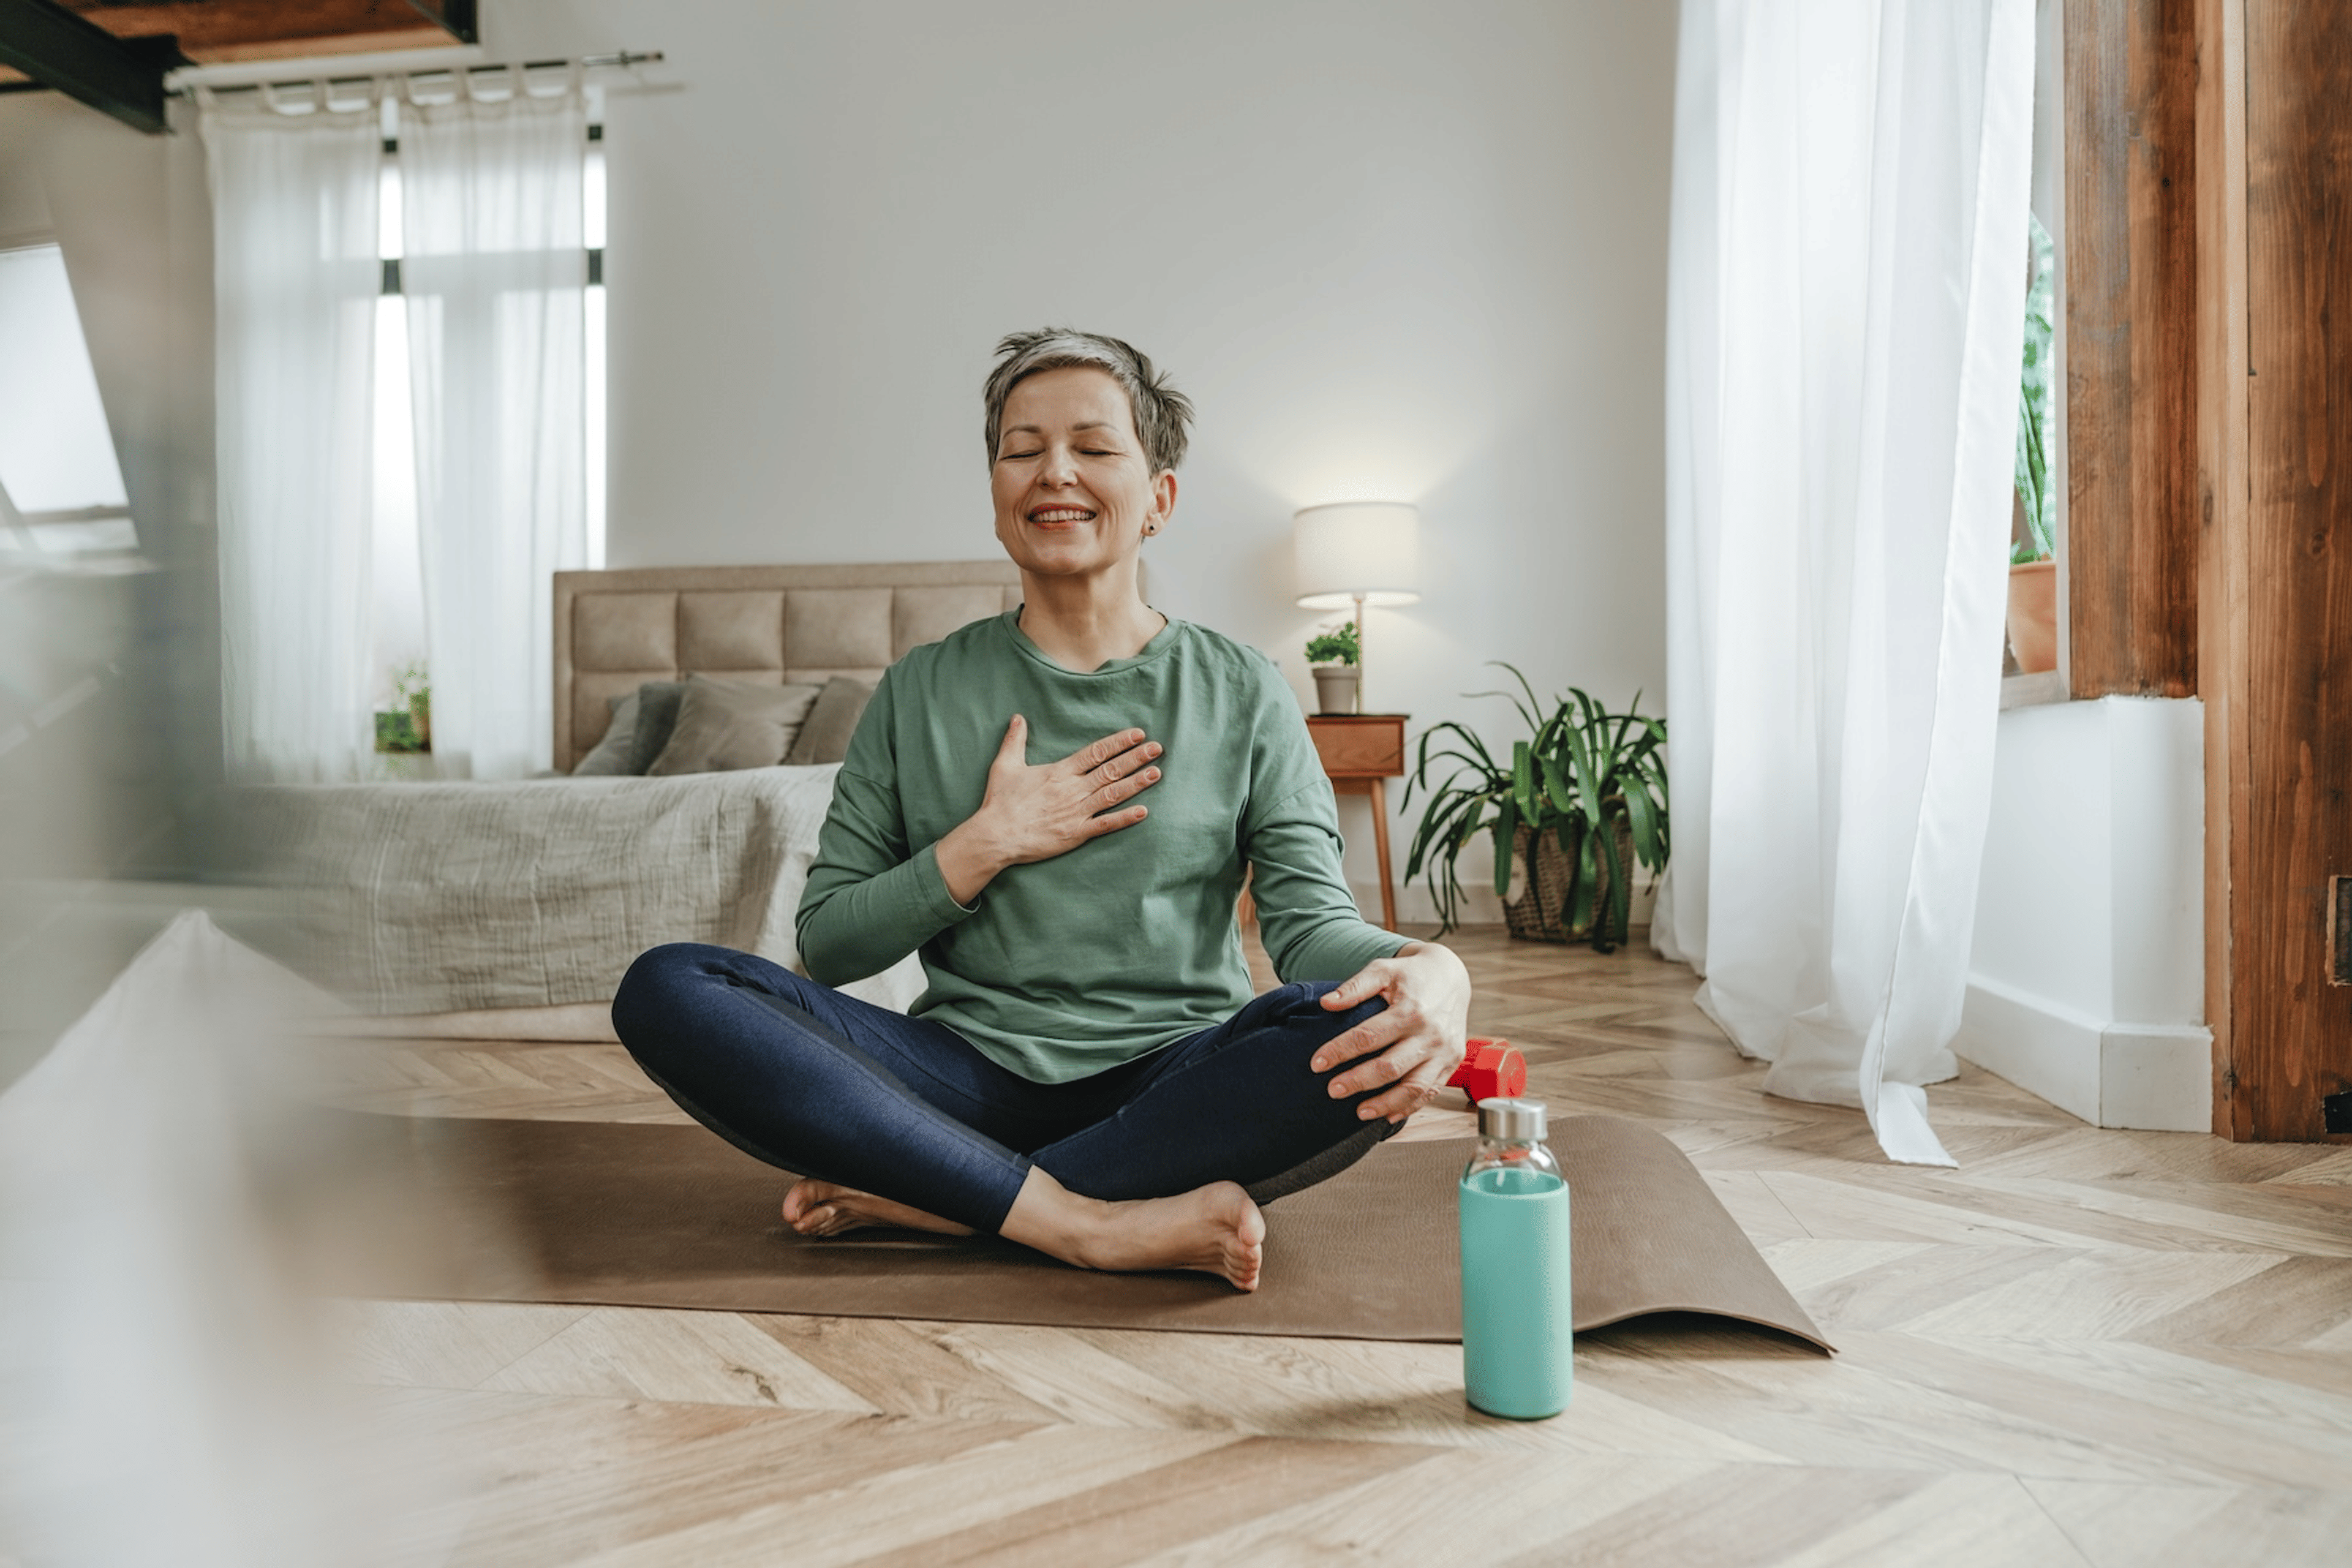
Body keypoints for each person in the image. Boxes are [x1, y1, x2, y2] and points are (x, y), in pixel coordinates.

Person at [611, 328, 1471, 1291]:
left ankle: (942, 1199)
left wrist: (1431, 968)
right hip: (962, 1079)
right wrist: (982, 846)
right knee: (672, 987)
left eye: (1095, 448)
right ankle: (1083, 1222)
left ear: (1159, 499)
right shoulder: (920, 689)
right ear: (996, 496)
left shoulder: (1243, 688)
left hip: (1177, 1077)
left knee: (1354, 1035)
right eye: (1022, 449)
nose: (1054, 471)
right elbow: (832, 946)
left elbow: (1309, 931)